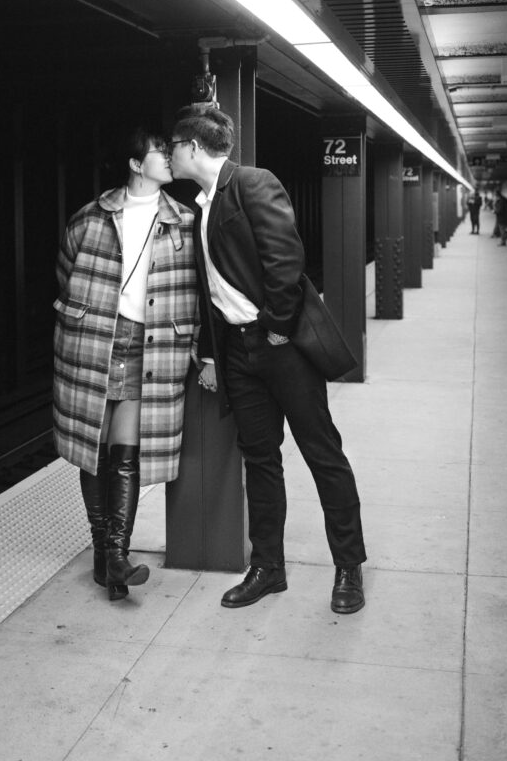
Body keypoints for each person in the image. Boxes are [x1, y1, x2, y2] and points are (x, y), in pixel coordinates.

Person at [169, 105, 366, 614]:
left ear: (192, 147)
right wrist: (214, 354)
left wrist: (277, 331)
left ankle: (348, 567)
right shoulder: (203, 204)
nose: (170, 155)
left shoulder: (254, 184)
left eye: (173, 146)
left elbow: (286, 261)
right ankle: (268, 568)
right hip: (237, 352)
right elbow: (211, 289)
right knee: (260, 459)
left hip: (282, 350)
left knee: (323, 454)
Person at [53, 128, 198, 601]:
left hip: (148, 347)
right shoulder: (90, 218)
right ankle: (106, 557)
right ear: (137, 165)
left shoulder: (183, 222)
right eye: (160, 153)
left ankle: (116, 554)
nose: (169, 160)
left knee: (126, 453)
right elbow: (67, 272)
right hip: (96, 341)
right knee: (93, 449)